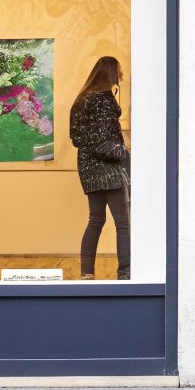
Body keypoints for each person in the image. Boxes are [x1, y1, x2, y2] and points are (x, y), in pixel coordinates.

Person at [69, 56, 130, 280]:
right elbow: (102, 140)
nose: (121, 76)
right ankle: (126, 272)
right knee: (123, 222)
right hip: (109, 168)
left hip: (87, 167)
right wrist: (126, 153)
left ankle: (87, 273)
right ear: (111, 72)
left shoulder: (81, 99)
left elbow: (76, 138)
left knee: (96, 219)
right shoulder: (102, 99)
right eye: (119, 71)